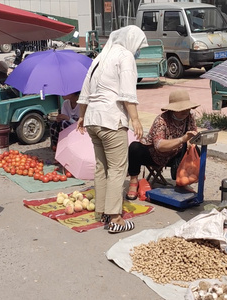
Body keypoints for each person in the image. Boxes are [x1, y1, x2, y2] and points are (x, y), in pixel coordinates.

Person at [77, 25, 147, 234]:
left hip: (93, 120)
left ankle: (103, 212)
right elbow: (127, 92)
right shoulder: (125, 56)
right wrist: (135, 119)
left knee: (102, 167)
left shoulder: (100, 57)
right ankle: (116, 218)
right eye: (139, 46)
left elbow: (85, 90)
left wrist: (81, 115)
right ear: (132, 41)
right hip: (111, 119)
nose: (138, 50)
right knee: (117, 169)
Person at [126, 90, 199, 200]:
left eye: (187, 109)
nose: (185, 112)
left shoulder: (190, 117)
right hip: (153, 154)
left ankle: (182, 181)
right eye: (181, 109)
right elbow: (159, 145)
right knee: (134, 147)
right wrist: (182, 139)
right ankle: (133, 180)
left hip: (174, 156)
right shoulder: (162, 120)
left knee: (195, 149)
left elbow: (193, 133)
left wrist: (190, 141)